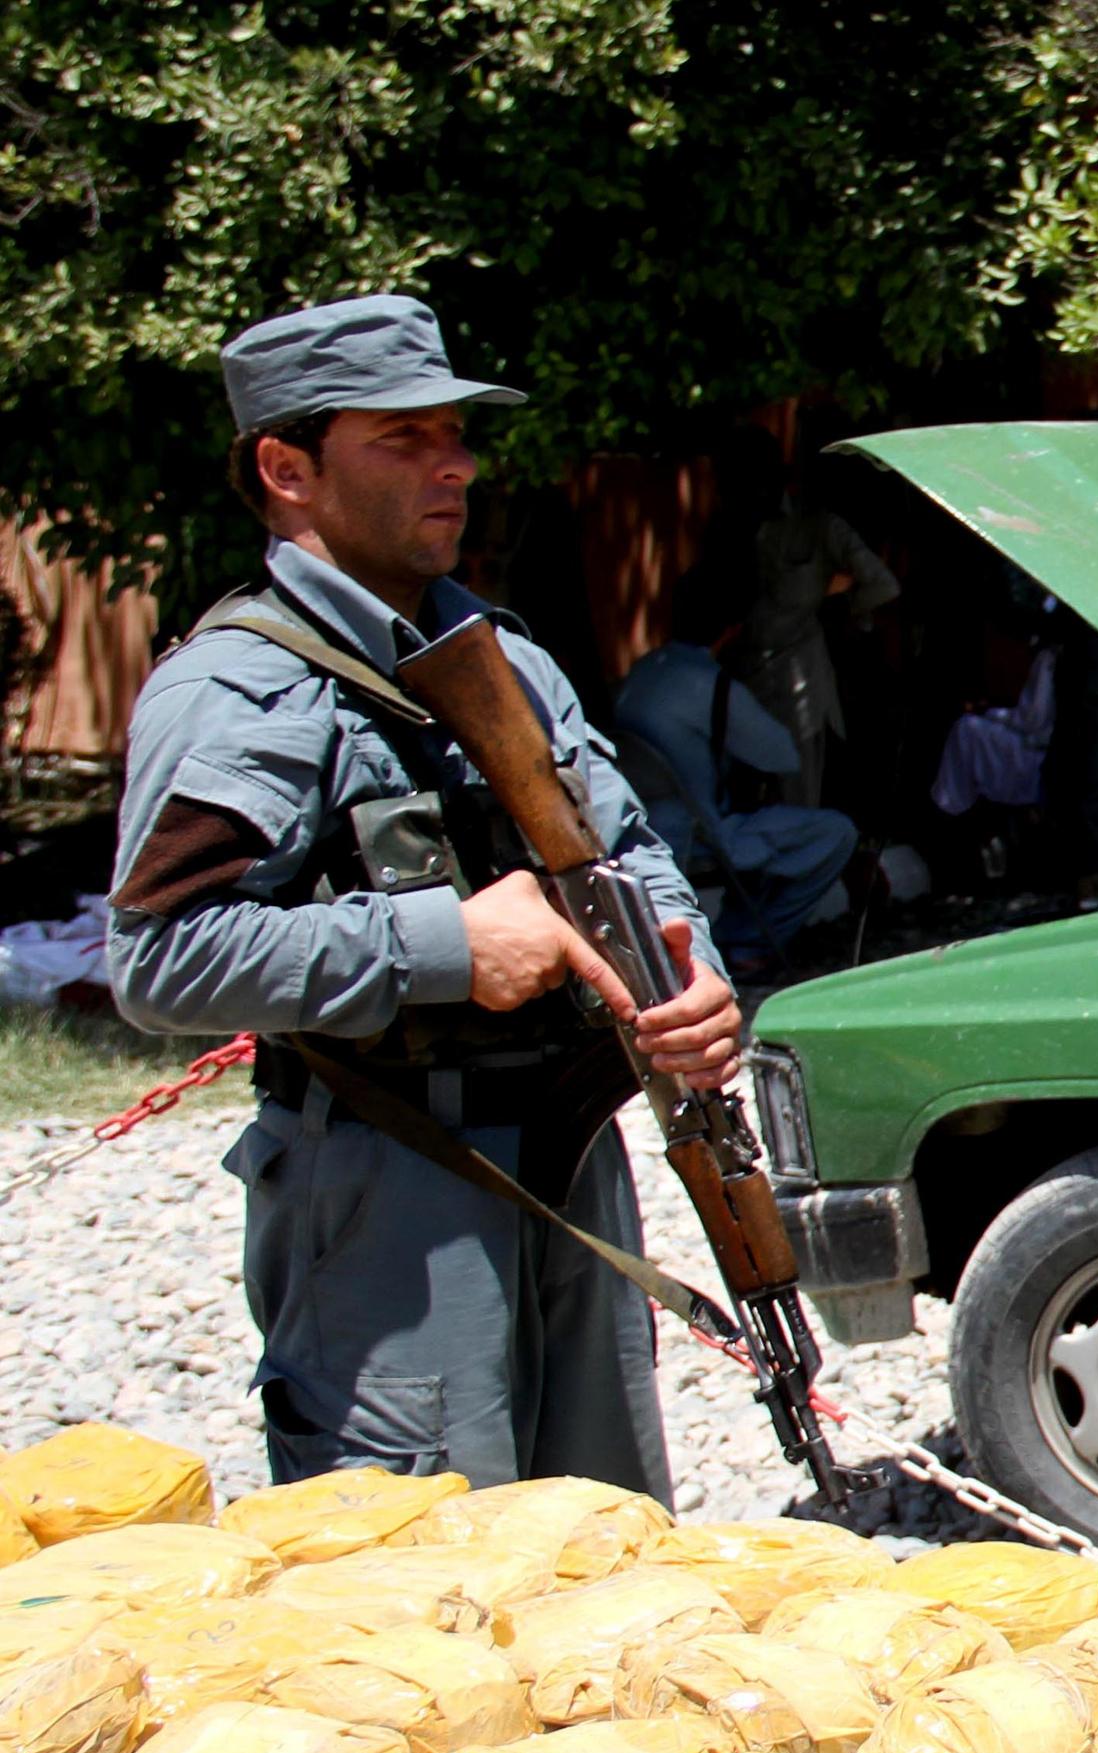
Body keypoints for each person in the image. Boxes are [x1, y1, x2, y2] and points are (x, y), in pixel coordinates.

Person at [107, 294, 741, 1499]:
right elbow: (159, 955)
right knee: (429, 1572)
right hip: (394, 1178)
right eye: (400, 439)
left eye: (453, 431)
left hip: (567, 1148)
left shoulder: (505, 654)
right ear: (286, 468)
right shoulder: (245, 688)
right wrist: (444, 943)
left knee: (610, 1543)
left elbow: (627, 846)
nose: (452, 463)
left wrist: (691, 970)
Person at [612, 560, 862, 970]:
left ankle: (736, 933)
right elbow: (781, 755)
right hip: (702, 834)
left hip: (643, 825)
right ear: (733, 628)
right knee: (835, 833)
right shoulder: (710, 684)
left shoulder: (643, 670)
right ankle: (749, 941)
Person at [728, 450, 898, 811]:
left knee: (797, 794)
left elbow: (882, 585)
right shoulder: (734, 527)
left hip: (798, 682)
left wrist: (837, 607)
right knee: (743, 793)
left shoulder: (820, 529)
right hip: (739, 678)